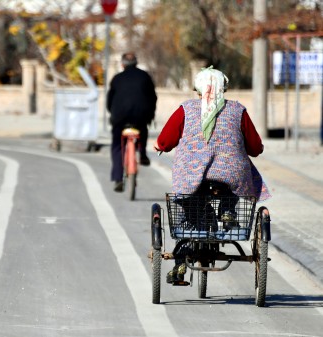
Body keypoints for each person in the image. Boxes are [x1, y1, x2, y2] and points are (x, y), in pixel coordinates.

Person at [153, 66, 271, 283]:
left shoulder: (186, 109)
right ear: (223, 88)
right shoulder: (238, 110)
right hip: (230, 173)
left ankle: (182, 260)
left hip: (192, 174)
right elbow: (254, 147)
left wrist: (159, 145)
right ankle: (228, 210)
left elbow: (166, 140)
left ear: (197, 88)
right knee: (234, 178)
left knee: (190, 205)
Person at [107, 52, 157, 192]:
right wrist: (151, 114)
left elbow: (109, 100)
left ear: (122, 64)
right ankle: (142, 154)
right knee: (143, 130)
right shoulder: (145, 76)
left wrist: (112, 113)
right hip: (140, 117)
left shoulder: (117, 78)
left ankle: (117, 178)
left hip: (120, 118)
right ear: (136, 63)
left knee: (117, 145)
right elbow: (153, 97)